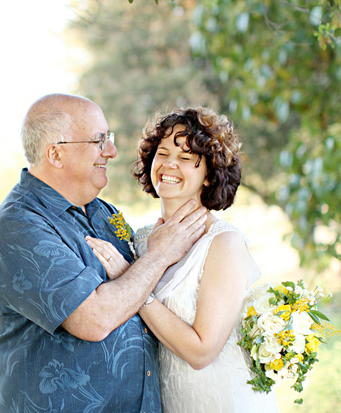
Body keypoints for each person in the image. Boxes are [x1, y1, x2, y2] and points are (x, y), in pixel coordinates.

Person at [0, 93, 207, 412]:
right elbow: (95, 320)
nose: (112, 152)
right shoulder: (19, 226)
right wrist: (160, 254)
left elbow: (140, 291)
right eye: (99, 141)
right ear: (56, 154)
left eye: (109, 139)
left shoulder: (105, 214)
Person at [86, 106, 279, 412]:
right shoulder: (140, 240)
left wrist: (132, 281)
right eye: (161, 153)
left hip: (223, 401)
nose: (169, 165)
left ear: (208, 174)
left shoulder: (223, 243)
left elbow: (202, 351)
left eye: (187, 158)